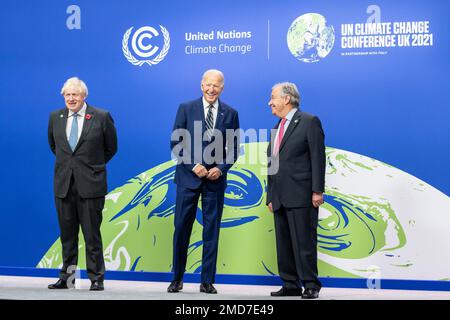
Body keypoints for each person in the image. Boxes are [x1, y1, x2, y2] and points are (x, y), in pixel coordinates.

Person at [168, 69, 240, 294]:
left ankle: (207, 281)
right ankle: (177, 279)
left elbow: (235, 148)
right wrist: (193, 166)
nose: (211, 89)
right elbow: (177, 143)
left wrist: (220, 168)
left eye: (216, 85)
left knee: (211, 231)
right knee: (181, 229)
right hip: (188, 179)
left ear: (222, 88)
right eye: (208, 85)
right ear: (201, 85)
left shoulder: (230, 113)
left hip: (214, 182)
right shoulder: (186, 108)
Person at [47, 77, 118, 291]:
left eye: (74, 94)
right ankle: (67, 278)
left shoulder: (101, 117)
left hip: (91, 185)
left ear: (84, 96)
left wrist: (91, 166)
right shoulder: (55, 117)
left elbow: (111, 148)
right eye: (67, 95)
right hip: (64, 185)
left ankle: (96, 278)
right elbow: (55, 147)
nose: (71, 98)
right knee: (67, 235)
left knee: (91, 235)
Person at [266, 82, 325, 299]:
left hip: (302, 194)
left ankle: (311, 285)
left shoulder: (309, 121)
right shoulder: (275, 128)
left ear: (286, 99)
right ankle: (290, 284)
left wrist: (317, 190)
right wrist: (270, 195)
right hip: (279, 196)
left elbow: (318, 158)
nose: (269, 102)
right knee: (284, 244)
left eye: (273, 97)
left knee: (304, 243)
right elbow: (271, 164)